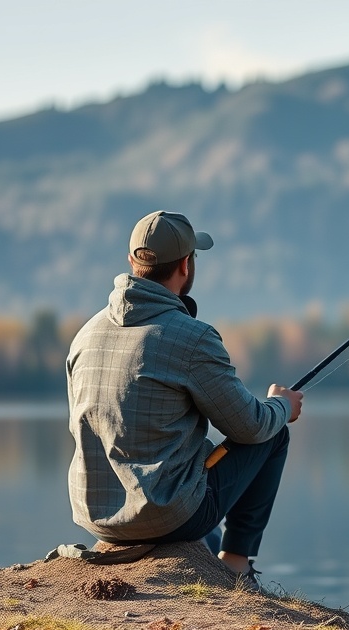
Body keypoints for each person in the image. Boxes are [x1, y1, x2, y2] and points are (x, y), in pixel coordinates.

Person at [65, 210, 303, 590]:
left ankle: (212, 551)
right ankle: (237, 564)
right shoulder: (191, 337)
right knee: (272, 433)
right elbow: (251, 425)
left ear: (132, 262)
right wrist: (282, 406)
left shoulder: (85, 335)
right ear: (186, 266)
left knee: (202, 521)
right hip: (164, 515)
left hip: (97, 516)